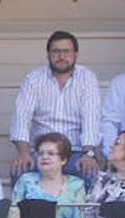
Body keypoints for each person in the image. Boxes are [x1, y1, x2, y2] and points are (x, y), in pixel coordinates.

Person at [10, 31, 102, 177]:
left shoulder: (87, 78)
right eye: (56, 51)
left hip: (76, 152)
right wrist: (23, 153)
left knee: (89, 172)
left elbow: (91, 119)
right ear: (48, 54)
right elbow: (21, 118)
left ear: (76, 54)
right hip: (41, 152)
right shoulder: (33, 79)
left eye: (66, 51)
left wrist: (88, 154)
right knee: (20, 170)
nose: (61, 56)